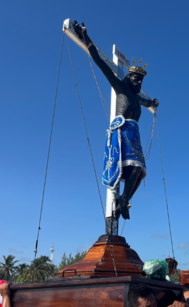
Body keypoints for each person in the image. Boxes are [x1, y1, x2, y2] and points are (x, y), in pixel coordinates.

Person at [72, 21, 159, 220]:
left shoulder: (138, 97)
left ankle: (123, 200)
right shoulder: (120, 87)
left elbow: (148, 101)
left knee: (139, 170)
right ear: (128, 78)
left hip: (135, 135)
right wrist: (86, 37)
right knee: (132, 167)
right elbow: (100, 62)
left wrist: (153, 102)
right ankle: (121, 201)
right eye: (136, 79)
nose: (139, 83)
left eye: (141, 81)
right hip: (123, 131)